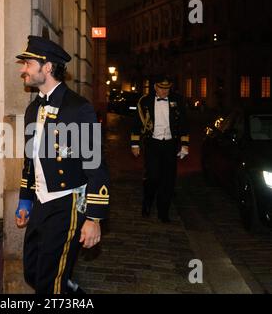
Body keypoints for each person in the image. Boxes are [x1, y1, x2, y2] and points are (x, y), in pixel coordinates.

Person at [14, 35, 110, 294]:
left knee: (50, 284)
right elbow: (30, 159)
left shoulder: (79, 108)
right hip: (39, 203)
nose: (23, 69)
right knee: (33, 271)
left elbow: (96, 164)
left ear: (47, 67)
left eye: (28, 63)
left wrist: (94, 218)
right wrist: (25, 198)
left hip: (67, 204)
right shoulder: (33, 109)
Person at [130, 76, 189, 223]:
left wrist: (185, 144)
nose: (164, 91)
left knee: (168, 179)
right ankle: (147, 203)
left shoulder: (178, 100)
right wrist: (135, 144)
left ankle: (164, 211)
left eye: (167, 88)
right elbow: (136, 122)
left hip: (170, 144)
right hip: (152, 144)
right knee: (153, 177)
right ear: (155, 87)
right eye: (162, 88)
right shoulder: (145, 101)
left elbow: (183, 123)